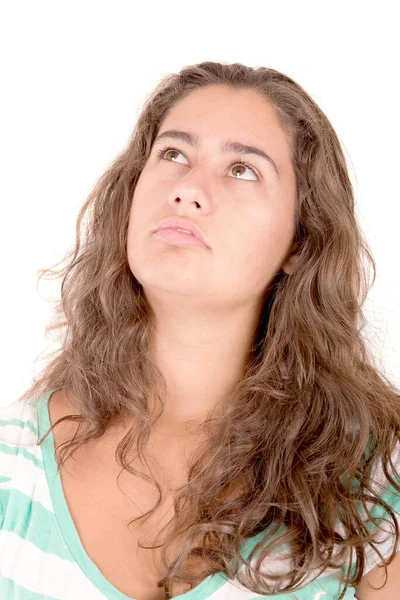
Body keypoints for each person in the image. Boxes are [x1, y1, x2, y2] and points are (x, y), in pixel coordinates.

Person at [1, 61, 399, 600]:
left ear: (301, 242)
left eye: (242, 169)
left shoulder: (378, 487)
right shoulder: (10, 466)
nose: (188, 189)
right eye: (173, 154)